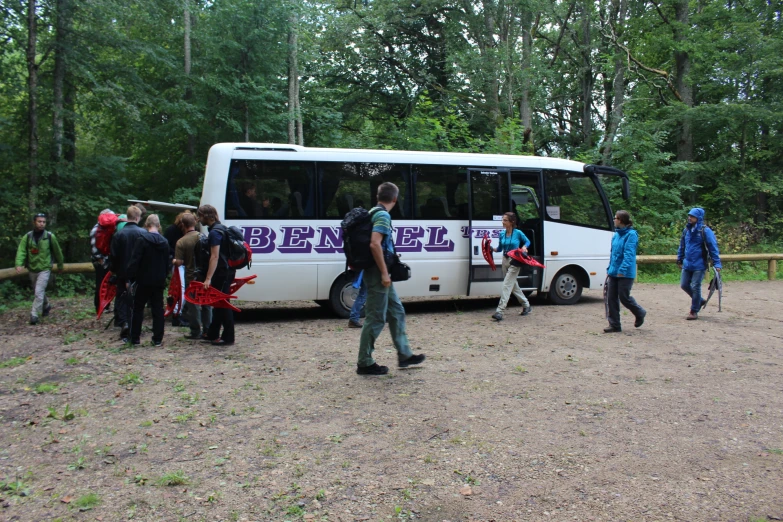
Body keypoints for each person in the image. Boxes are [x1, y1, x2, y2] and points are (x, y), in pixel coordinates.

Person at [357, 182, 425, 375]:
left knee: (396, 311)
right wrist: (385, 273)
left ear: (378, 196)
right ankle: (364, 362)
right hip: (378, 272)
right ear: (395, 198)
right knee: (376, 317)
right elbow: (374, 244)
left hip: (377, 271)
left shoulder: (372, 211)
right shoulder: (382, 215)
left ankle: (404, 354)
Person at [126, 214, 170, 346]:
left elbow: (135, 261)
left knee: (138, 308)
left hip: (143, 280)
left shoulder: (142, 240)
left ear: (147, 224)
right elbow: (167, 263)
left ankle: (135, 338)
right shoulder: (165, 242)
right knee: (157, 309)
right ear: (158, 225)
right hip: (158, 280)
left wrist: (130, 277)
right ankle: (157, 339)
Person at [15, 212, 64, 325]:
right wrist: (19, 264)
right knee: (38, 291)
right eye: (39, 221)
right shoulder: (27, 237)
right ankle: (46, 306)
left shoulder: (50, 236)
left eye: (44, 222)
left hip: (45, 268)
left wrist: (60, 265)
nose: (42, 224)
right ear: (34, 222)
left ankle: (34, 314)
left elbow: (57, 252)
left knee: (38, 291)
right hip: (32, 268)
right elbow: (21, 251)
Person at [197, 204, 235, 346]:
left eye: (200, 215)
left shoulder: (215, 233)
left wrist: (208, 278)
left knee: (223, 304)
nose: (199, 219)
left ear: (206, 216)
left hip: (221, 273)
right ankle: (213, 333)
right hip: (226, 271)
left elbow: (214, 256)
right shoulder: (221, 228)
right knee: (218, 303)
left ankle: (228, 337)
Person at [604, 210, 646, 333]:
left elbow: (629, 254)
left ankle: (640, 312)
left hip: (625, 273)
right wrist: (610, 268)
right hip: (614, 272)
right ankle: (614, 325)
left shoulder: (631, 235)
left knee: (624, 297)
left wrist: (622, 270)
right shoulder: (616, 235)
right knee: (611, 298)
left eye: (615, 218)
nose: (613, 220)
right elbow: (613, 253)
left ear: (621, 220)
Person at [677, 207, 722, 320]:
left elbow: (713, 247)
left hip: (700, 264)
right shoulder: (686, 230)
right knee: (684, 285)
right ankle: (700, 301)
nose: (689, 218)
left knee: (695, 286)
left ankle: (694, 311)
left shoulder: (705, 231)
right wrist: (679, 258)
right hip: (687, 263)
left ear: (698, 217)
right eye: (689, 216)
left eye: (692, 216)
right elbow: (682, 245)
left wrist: (717, 264)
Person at [173, 212, 212, 339]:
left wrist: (173, 261)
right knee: (206, 302)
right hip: (204, 276)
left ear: (182, 225)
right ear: (195, 222)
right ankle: (208, 330)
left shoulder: (181, 242)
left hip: (191, 277)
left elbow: (179, 263)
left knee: (193, 304)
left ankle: (196, 331)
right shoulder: (204, 237)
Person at [110, 205, 145, 341]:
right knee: (138, 299)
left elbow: (113, 256)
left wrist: (113, 270)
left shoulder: (119, 234)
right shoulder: (143, 233)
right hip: (139, 272)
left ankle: (124, 322)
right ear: (137, 217)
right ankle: (135, 325)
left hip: (122, 272)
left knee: (122, 297)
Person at [489, 212, 532, 321]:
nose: (503, 222)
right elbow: (499, 248)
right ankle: (526, 305)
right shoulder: (502, 234)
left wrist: (524, 247)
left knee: (506, 285)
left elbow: (527, 241)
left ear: (512, 222)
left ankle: (500, 311)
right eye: (502, 220)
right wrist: (491, 249)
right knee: (512, 285)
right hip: (505, 260)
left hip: (515, 261)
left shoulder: (518, 233)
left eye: (505, 220)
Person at [89, 209, 116, 316]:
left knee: (103, 283)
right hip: (104, 260)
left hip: (102, 260)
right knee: (103, 283)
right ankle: (100, 306)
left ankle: (103, 306)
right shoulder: (109, 228)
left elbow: (94, 248)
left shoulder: (96, 229)